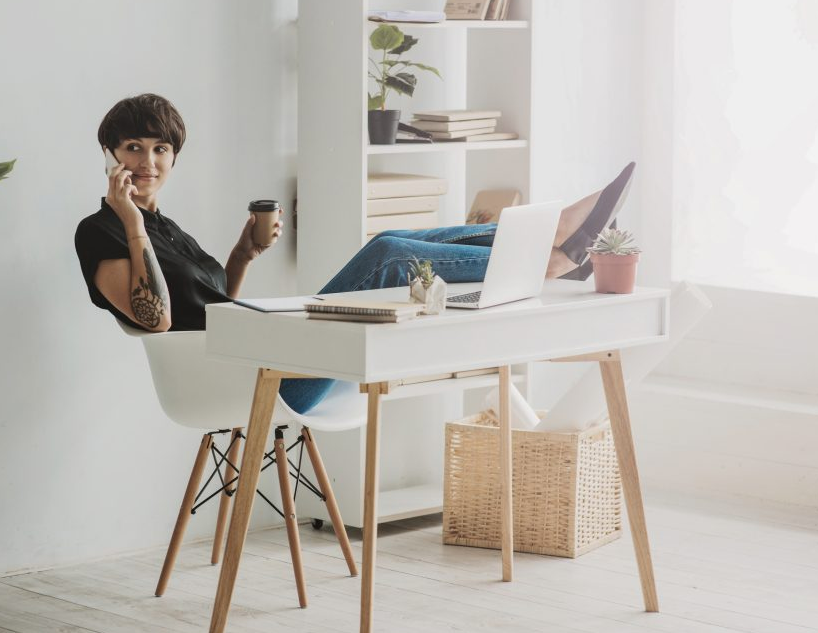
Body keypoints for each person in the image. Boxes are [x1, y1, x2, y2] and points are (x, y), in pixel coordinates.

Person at [75, 94, 633, 413]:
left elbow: (214, 309)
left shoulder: (161, 225)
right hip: (262, 380)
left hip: (267, 354)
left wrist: (242, 256)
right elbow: (160, 319)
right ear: (110, 155)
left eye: (161, 148)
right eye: (133, 148)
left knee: (404, 241)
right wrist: (127, 218)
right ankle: (553, 255)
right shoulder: (101, 231)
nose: (148, 160)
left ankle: (557, 238)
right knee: (389, 250)